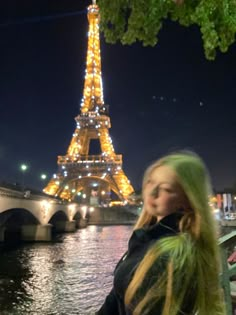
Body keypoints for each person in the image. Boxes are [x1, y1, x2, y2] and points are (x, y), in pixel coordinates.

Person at [96, 151, 226, 315]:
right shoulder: (148, 237)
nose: (152, 193)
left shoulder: (169, 257)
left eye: (165, 189)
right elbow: (117, 296)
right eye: (150, 182)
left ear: (187, 199)